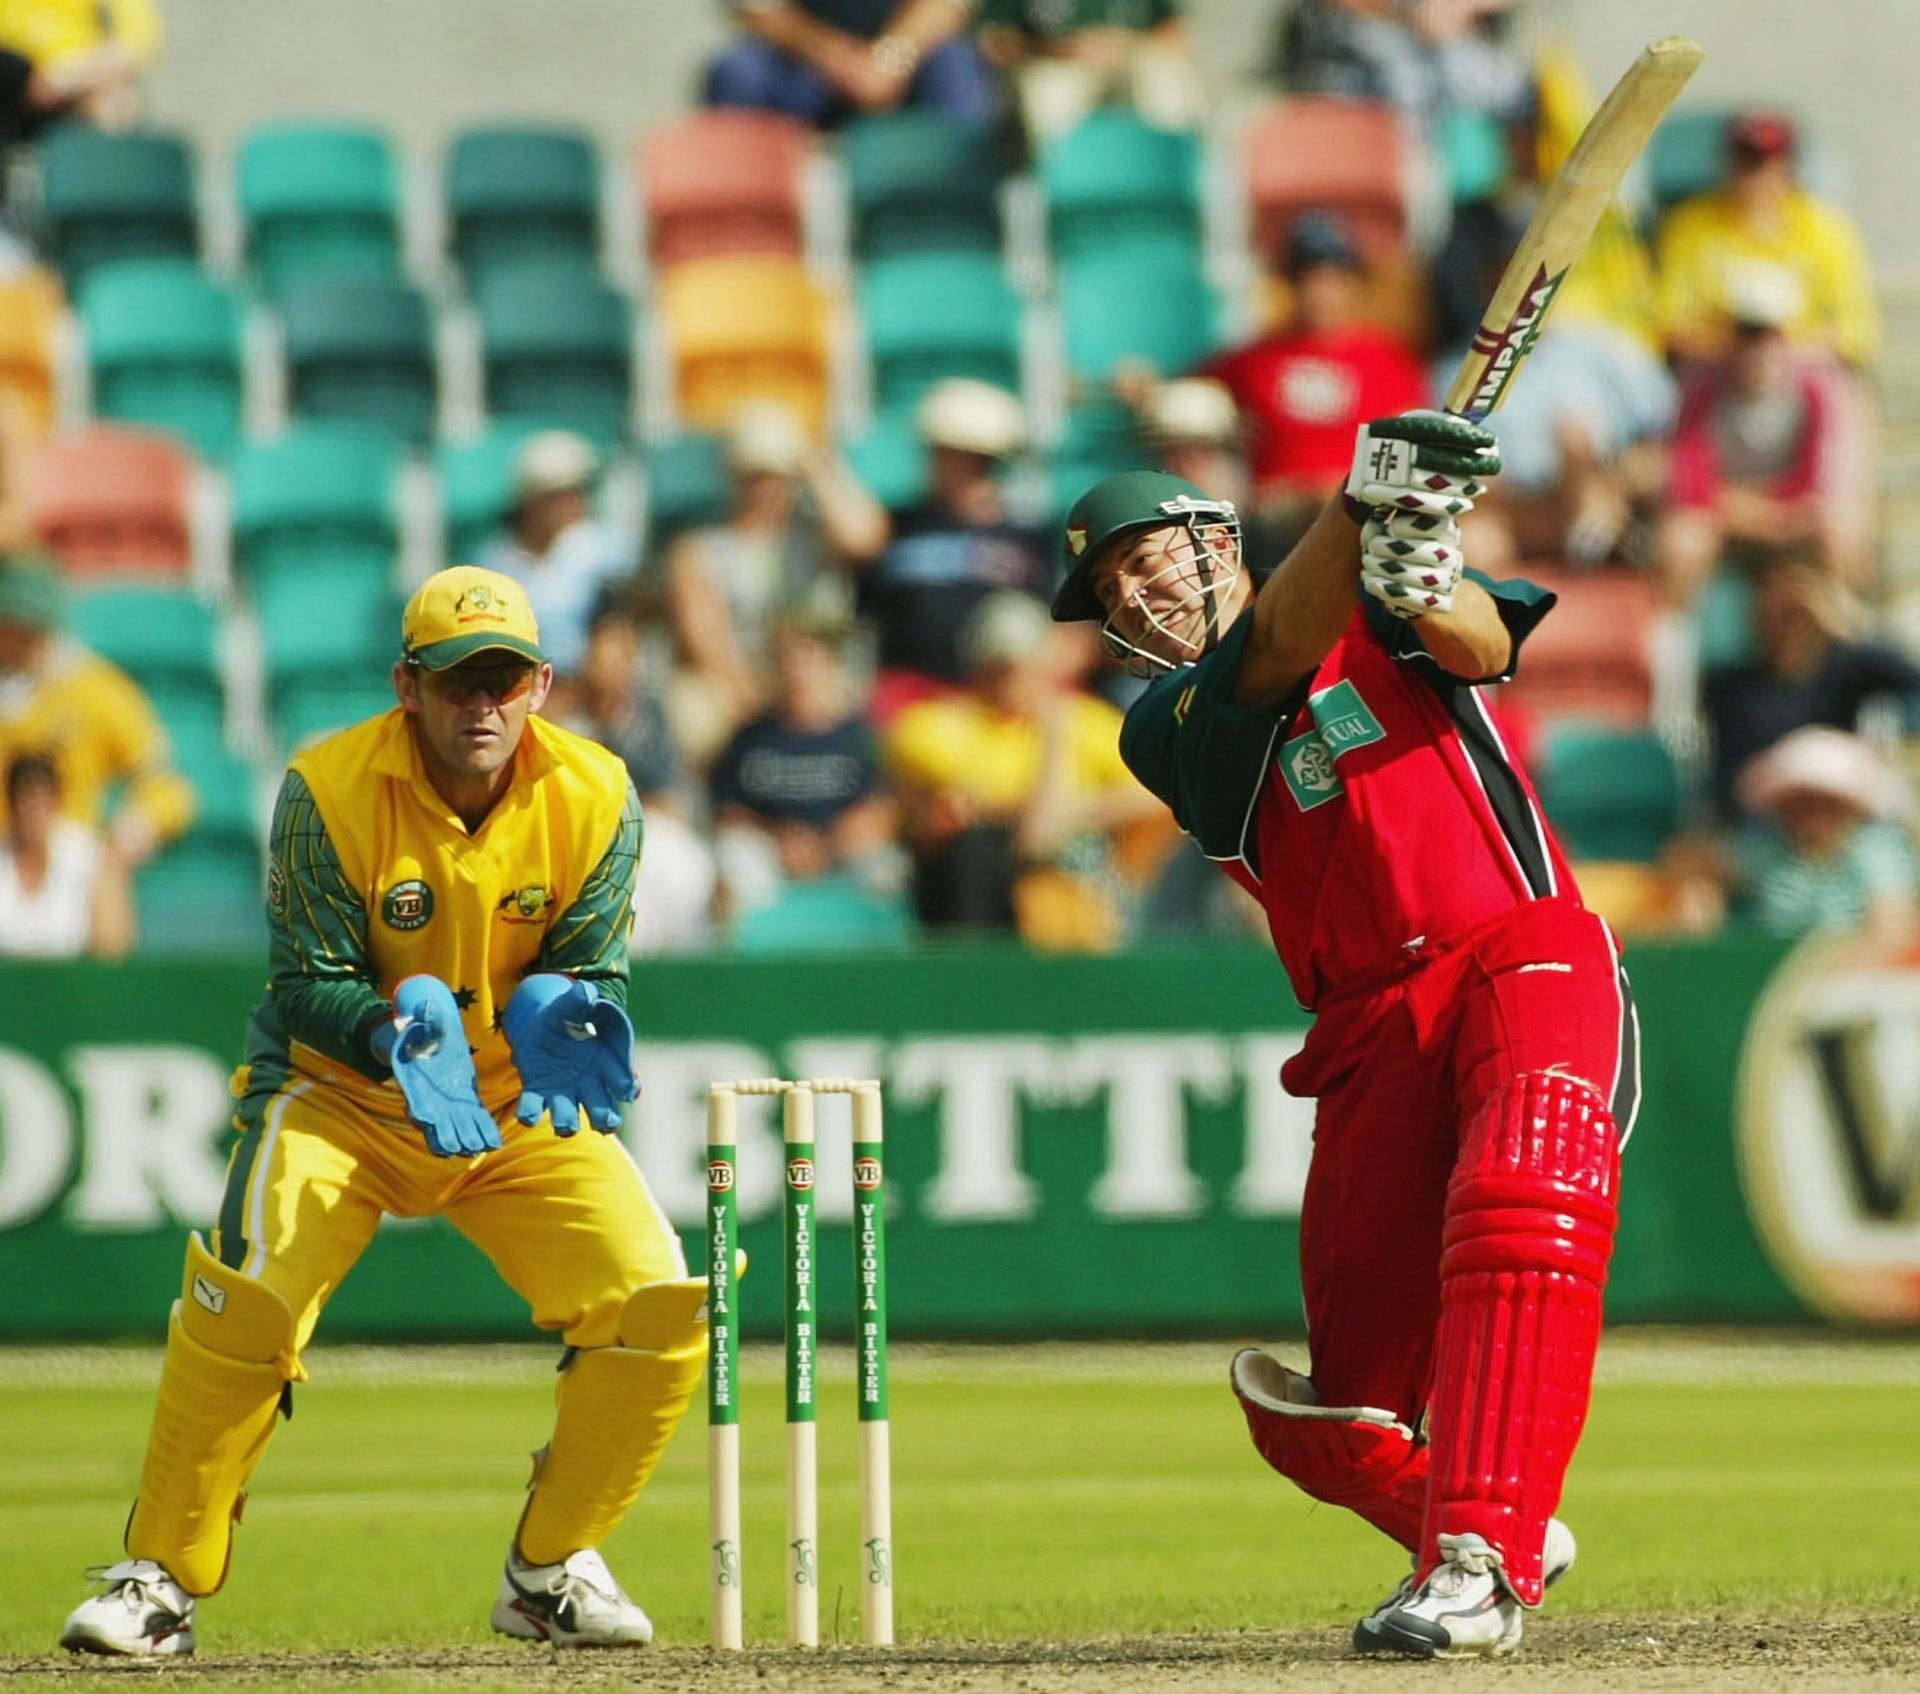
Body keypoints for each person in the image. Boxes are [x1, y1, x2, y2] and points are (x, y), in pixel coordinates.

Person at [1047, 415, 1636, 1657]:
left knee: (1520, 1197)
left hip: (1520, 947)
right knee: (1332, 1413)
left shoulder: (1375, 605)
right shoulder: (1164, 726)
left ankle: (1479, 1559)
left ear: (1219, 538)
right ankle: (1486, 1510)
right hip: (1369, 1027)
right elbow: (1276, 649)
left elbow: (1481, 642)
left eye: (1149, 558)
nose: (1139, 594)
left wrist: (1422, 572)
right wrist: (1364, 509)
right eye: (1112, 588)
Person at [59, 566, 700, 1657]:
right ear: (408, 683)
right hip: (338, 1093)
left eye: (503, 678)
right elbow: (305, 977)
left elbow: (596, 963)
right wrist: (387, 1036)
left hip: (508, 1103)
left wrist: (567, 1004)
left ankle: (551, 1568)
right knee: (248, 1302)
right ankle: (157, 1579)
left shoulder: (598, 792)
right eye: (457, 680)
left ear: (543, 683)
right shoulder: (327, 785)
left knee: (656, 1305)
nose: (481, 704)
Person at [886, 589, 1155, 940]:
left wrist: (1081, 809)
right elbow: (1033, 835)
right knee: (976, 850)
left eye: (1021, 664)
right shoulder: (936, 726)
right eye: (999, 665)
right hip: (983, 884)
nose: (1011, 678)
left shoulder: (1083, 720)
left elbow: (1157, 792)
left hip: (1075, 878)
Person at [660, 401, 884, 761]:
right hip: (741, 679)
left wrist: (816, 467)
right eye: (752, 474)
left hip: (816, 673)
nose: (764, 486)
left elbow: (864, 540)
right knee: (693, 715)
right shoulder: (699, 550)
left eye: (775, 474)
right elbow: (706, 641)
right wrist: (754, 695)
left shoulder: (817, 539)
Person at [1199, 213, 1427, 554]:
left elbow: (1413, 444)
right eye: (1307, 278)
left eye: (1333, 278)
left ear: (1353, 283)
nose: (1319, 291)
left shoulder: (1386, 359)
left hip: (1363, 502)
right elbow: (1188, 395)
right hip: (1278, 508)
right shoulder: (1253, 359)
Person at [1655, 270, 1873, 607]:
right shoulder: (1697, 391)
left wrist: (1742, 506)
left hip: (1783, 522)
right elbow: (1689, 488)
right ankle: (1670, 646)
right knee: (1681, 541)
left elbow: (1820, 492)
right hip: (1731, 524)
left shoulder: (1824, 391)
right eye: (1746, 333)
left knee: (1840, 532)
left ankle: (1854, 639)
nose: (1756, 347)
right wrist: (1765, 514)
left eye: (1767, 333)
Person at [847, 377, 1054, 718]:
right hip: (907, 694)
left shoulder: (1027, 534)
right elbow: (852, 545)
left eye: (947, 452)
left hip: (999, 705)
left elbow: (1057, 631)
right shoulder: (896, 523)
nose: (933, 461)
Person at [708, 606, 901, 933]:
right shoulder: (750, 738)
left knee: (886, 871)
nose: (797, 669)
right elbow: (728, 812)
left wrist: (824, 846)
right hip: (769, 853)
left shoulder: (856, 737)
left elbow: (879, 811)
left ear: (829, 661)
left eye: (807, 656)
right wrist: (780, 838)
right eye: (786, 658)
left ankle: (883, 969)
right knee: (733, 862)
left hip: (840, 852)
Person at [0, 550, 193, 866]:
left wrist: (139, 824)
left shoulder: (96, 691)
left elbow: (167, 786)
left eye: (20, 627)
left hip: (68, 867)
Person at [1701, 551, 1920, 824]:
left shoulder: (1851, 669)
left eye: (1796, 608)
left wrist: (1847, 624)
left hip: (1838, 827)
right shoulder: (1728, 686)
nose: (1786, 614)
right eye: (1773, 597)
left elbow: (1911, 680)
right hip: (1766, 833)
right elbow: (1727, 788)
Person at [1656, 110, 1880, 371]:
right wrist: (1738, 350)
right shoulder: (1691, 227)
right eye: (1744, 163)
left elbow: (1859, 331)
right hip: (1716, 370)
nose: (1753, 177)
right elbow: (1668, 324)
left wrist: (1781, 350)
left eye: (1764, 164)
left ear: (1788, 169)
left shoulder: (1827, 230)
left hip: (1803, 368)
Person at [1669, 726, 1919, 949]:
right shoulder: (1765, 850)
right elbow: (1688, 861)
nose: (1812, 812)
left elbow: (1894, 931)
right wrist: (1701, 898)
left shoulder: (1877, 850)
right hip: (1769, 985)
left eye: (1825, 801)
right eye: (1799, 801)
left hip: (1859, 987)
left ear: (1849, 806)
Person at [476, 431, 637, 696]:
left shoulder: (608, 549)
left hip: (594, 686)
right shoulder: (493, 563)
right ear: (530, 501)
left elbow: (625, 621)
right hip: (522, 684)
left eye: (579, 491)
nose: (573, 503)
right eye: (560, 495)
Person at [705, 0, 999, 131]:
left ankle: (959, 221)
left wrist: (889, 61)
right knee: (738, 71)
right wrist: (833, 56)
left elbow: (948, 5)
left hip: (908, 61)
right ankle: (746, 224)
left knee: (958, 64)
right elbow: (758, 9)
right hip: (807, 67)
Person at [975, 0, 1203, 143]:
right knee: (1049, 93)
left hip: (1129, 60)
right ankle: (1049, 203)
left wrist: (1122, 45)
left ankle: (1185, 189)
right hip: (1058, 64)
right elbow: (996, 43)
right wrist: (1068, 50)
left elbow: (1177, 33)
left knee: (1166, 76)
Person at [0, 749, 132, 956]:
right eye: (24, 798)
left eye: (41, 798)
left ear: (57, 801)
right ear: (11, 803)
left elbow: (112, 951)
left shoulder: (92, 859)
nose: (33, 809)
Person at [0, 0, 162, 139]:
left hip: (78, 82)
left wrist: (65, 79)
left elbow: (136, 43)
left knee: (114, 102)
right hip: (12, 75)